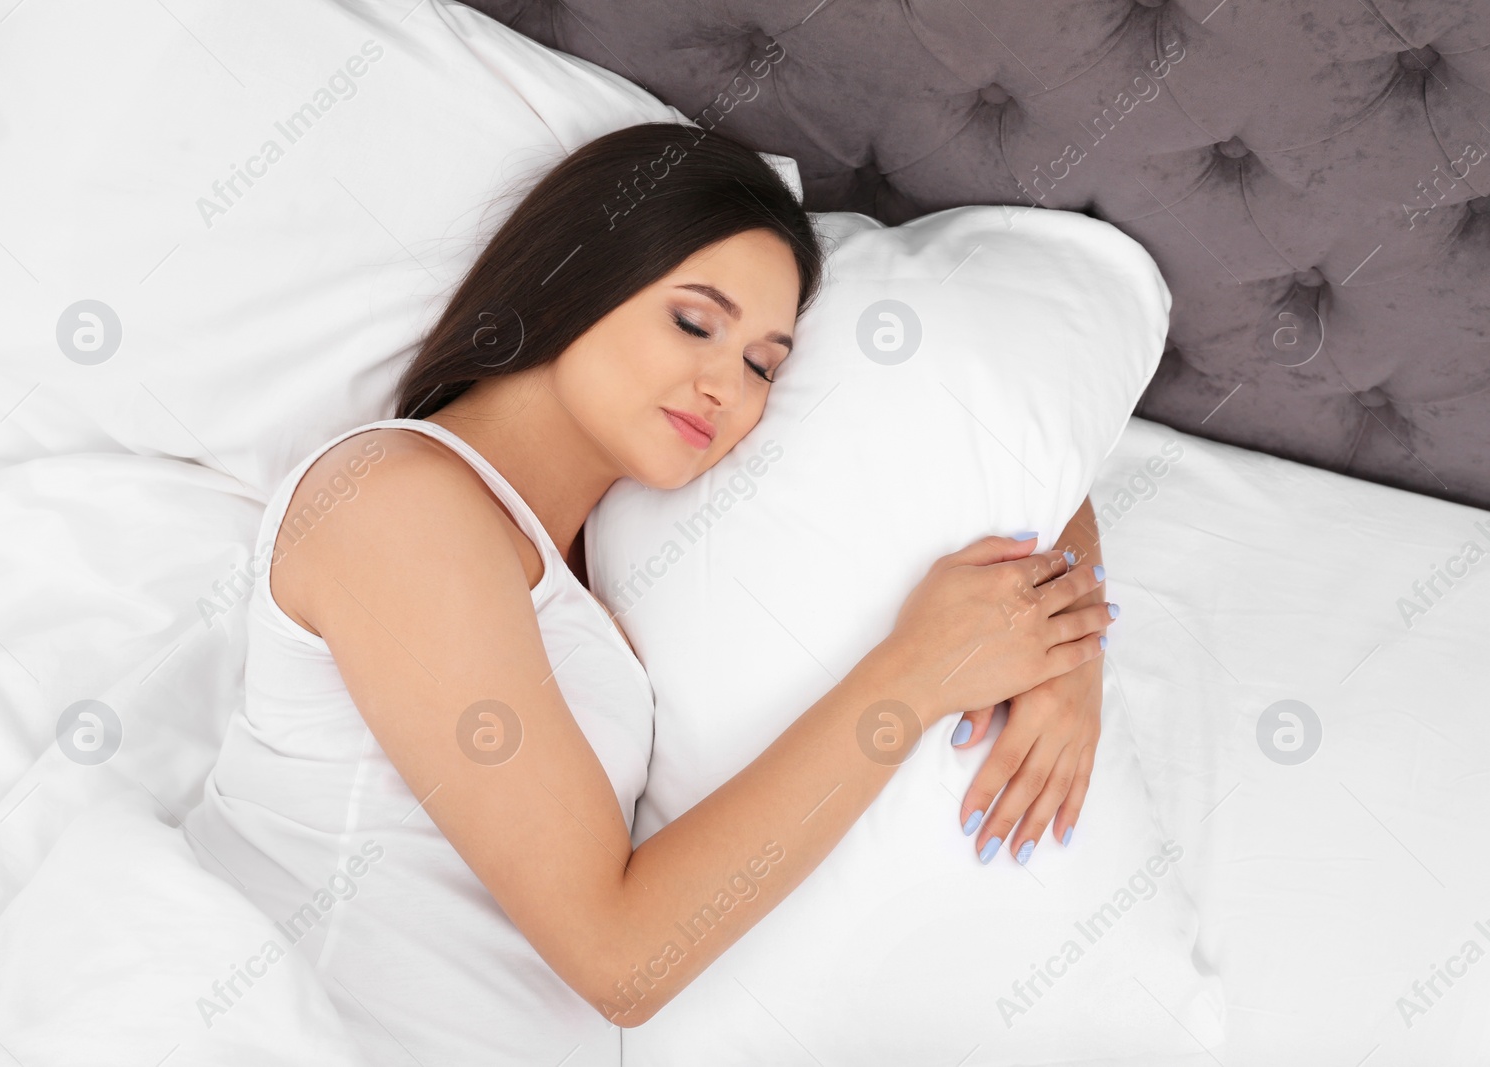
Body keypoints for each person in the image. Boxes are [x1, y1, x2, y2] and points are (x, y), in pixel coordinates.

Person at [183, 121, 1114, 1065]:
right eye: (695, 322)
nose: (726, 387)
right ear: (574, 275)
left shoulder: (597, 562)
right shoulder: (396, 502)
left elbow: (1006, 430)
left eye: (764, 365)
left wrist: (1067, 633)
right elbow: (619, 954)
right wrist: (915, 677)